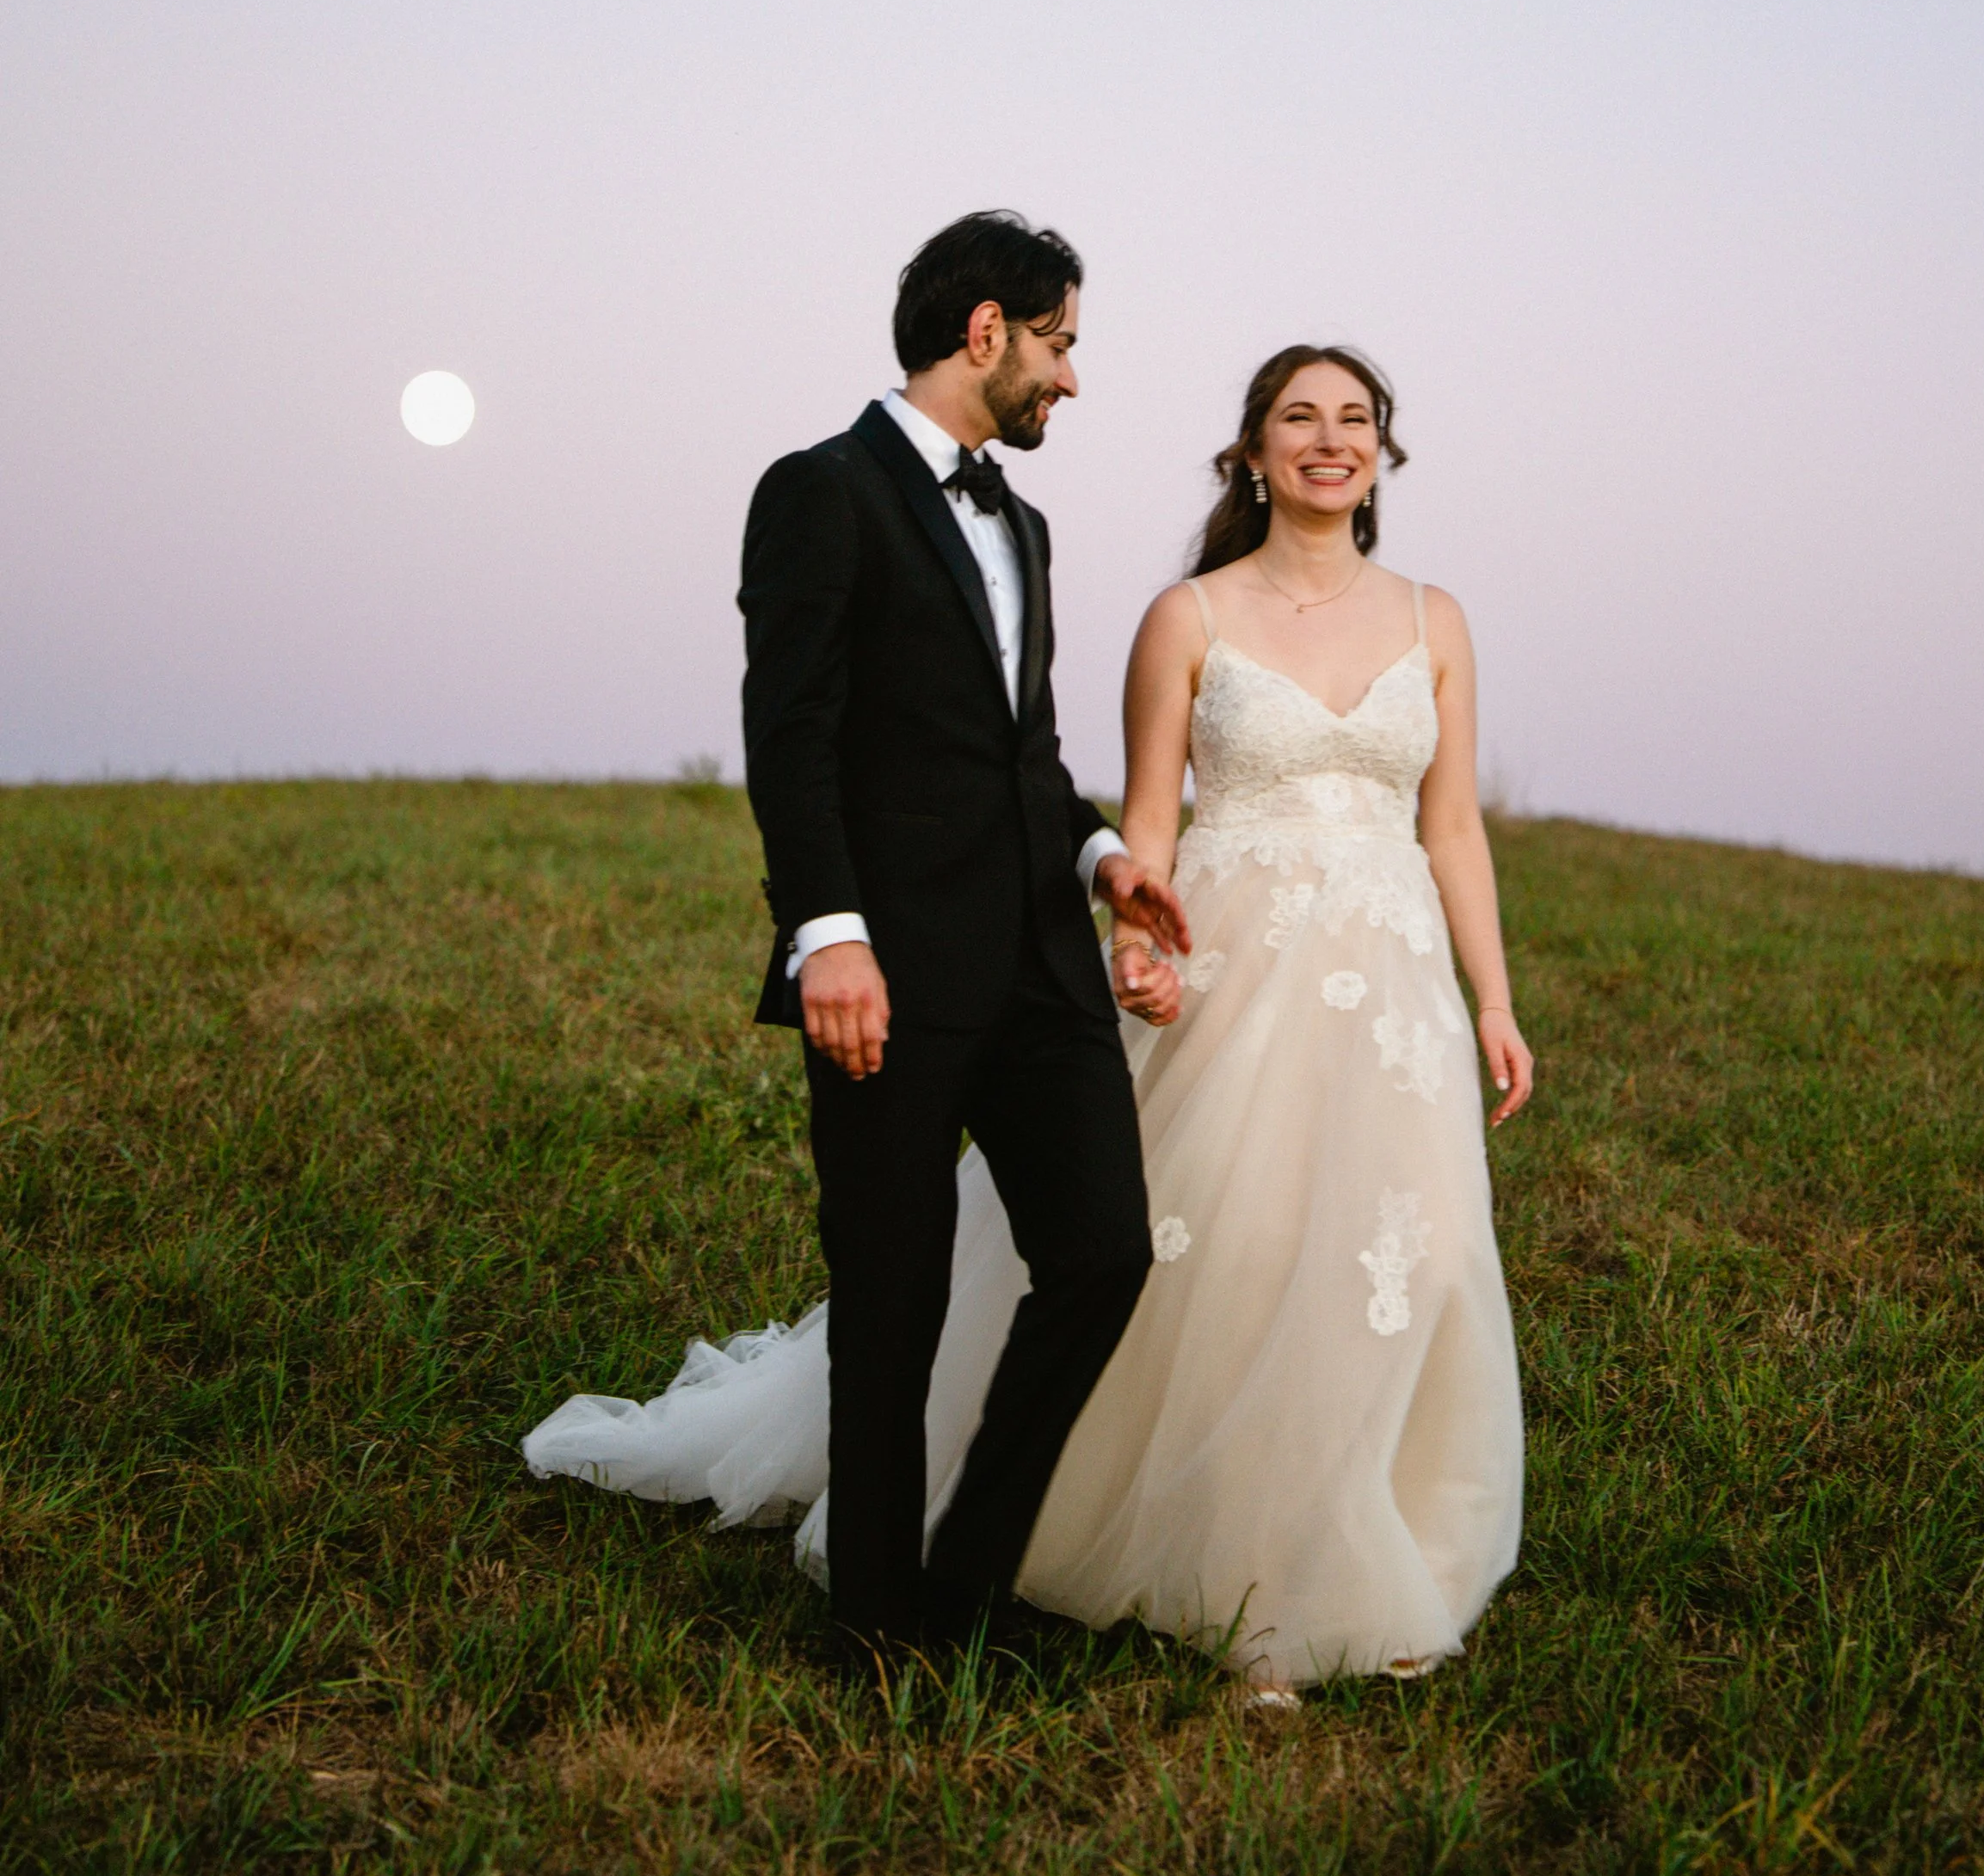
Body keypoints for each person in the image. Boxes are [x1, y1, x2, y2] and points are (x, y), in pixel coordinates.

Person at [526, 336, 1531, 1705]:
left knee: (1381, 1264)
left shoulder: (1437, 618)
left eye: (1355, 418)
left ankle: (1328, 1571)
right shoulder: (1188, 613)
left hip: (1394, 985)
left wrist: (1495, 997)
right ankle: (1042, 1568)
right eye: (1299, 415)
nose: (1329, 438)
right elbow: (1143, 811)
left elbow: (1452, 822)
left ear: (1384, 450)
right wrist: (1132, 920)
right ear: (1251, 449)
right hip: (1224, 969)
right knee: (1205, 1258)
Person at [525, 212, 1188, 1665]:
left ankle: (972, 1574)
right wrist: (828, 936)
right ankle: (878, 1622)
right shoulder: (819, 491)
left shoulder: (1026, 524)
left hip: (1040, 965)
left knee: (1104, 1254)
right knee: (893, 1292)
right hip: (886, 971)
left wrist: (1099, 855)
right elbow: (795, 731)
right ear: (987, 329)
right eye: (1063, 344)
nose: (1071, 381)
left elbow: (1024, 749)